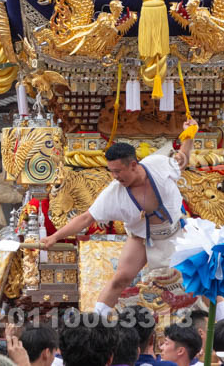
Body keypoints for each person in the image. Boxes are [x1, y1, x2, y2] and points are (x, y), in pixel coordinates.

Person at [41, 135, 195, 315]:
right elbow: (85, 218)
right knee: (120, 279)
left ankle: (220, 321)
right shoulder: (113, 193)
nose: (115, 176)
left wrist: (189, 135)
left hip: (176, 232)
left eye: (118, 171)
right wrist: (55, 237)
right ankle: (97, 322)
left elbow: (182, 159)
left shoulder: (158, 164)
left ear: (133, 165)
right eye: (111, 171)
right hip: (141, 237)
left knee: (200, 274)